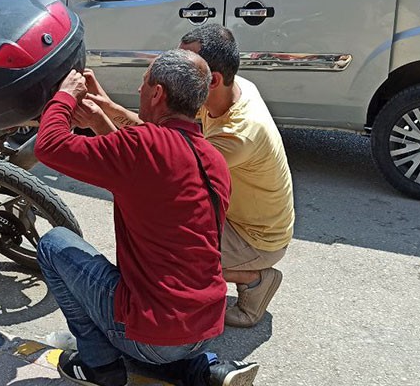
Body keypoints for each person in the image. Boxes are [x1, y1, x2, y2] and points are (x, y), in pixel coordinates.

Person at [34, 49, 260, 386]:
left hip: (155, 334)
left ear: (157, 93)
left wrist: (66, 95)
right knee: (155, 335)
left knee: (54, 245)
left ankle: (99, 367)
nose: (139, 91)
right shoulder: (210, 158)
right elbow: (137, 161)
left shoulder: (142, 149)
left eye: (144, 83)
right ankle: (203, 372)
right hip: (205, 326)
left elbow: (48, 145)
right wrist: (98, 117)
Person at [81, 24, 295, 328]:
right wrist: (110, 107)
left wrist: (101, 120)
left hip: (255, 240)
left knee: (158, 248)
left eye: (188, 65)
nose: (178, 70)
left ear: (214, 79)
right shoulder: (232, 88)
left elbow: (152, 160)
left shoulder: (237, 134)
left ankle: (255, 276)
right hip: (234, 215)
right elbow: (162, 135)